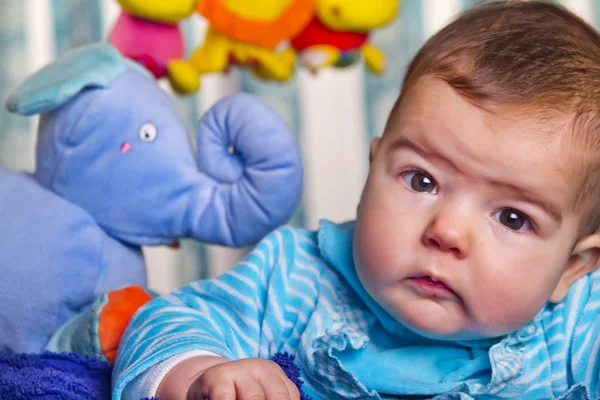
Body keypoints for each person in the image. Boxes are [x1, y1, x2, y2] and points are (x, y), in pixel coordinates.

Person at [112, 1, 600, 399]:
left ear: (572, 267)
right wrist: (200, 374)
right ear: (374, 171)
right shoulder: (293, 279)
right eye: (421, 181)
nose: (447, 231)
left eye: (512, 217)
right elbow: (163, 321)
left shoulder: (578, 330)